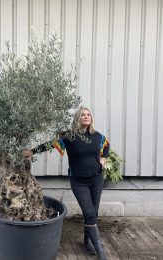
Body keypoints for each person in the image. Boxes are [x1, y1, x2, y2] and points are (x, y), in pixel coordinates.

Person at [24, 107, 109, 260]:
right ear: (77, 118)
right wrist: (32, 151)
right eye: (82, 114)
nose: (86, 116)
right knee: (89, 212)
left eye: (88, 114)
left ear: (91, 118)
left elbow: (106, 147)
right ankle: (100, 250)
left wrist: (103, 160)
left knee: (93, 212)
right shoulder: (68, 136)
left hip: (97, 179)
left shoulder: (98, 137)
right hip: (79, 181)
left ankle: (87, 242)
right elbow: (50, 144)